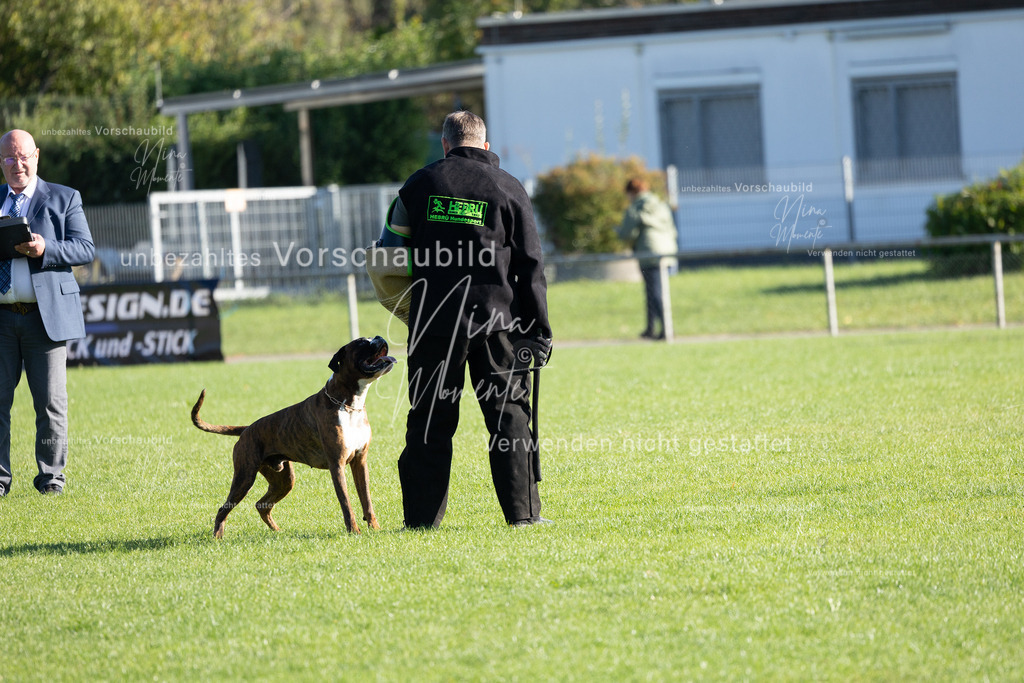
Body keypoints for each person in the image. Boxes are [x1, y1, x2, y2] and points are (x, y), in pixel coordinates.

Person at [383, 110, 552, 528]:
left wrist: (409, 310)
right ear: (485, 145)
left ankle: (421, 521)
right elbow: (531, 267)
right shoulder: (510, 187)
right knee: (509, 416)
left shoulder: (418, 185)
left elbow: (386, 258)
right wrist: (539, 332)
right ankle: (523, 517)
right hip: (498, 323)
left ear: (445, 144)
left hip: (434, 322)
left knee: (429, 419)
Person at [0, 129, 95, 496]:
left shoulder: (64, 197)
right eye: (10, 158)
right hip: (2, 320)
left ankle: (51, 480)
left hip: (45, 318)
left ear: (36, 156)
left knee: (51, 405)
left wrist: (45, 248)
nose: (17, 164)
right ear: (2, 162)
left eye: (23, 156)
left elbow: (85, 248)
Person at [616, 177, 678, 340]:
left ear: (632, 192)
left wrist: (619, 233)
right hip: (666, 250)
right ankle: (652, 328)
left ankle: (665, 330)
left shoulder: (636, 206)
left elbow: (626, 232)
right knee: (655, 290)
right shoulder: (659, 203)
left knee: (654, 292)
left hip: (648, 252)